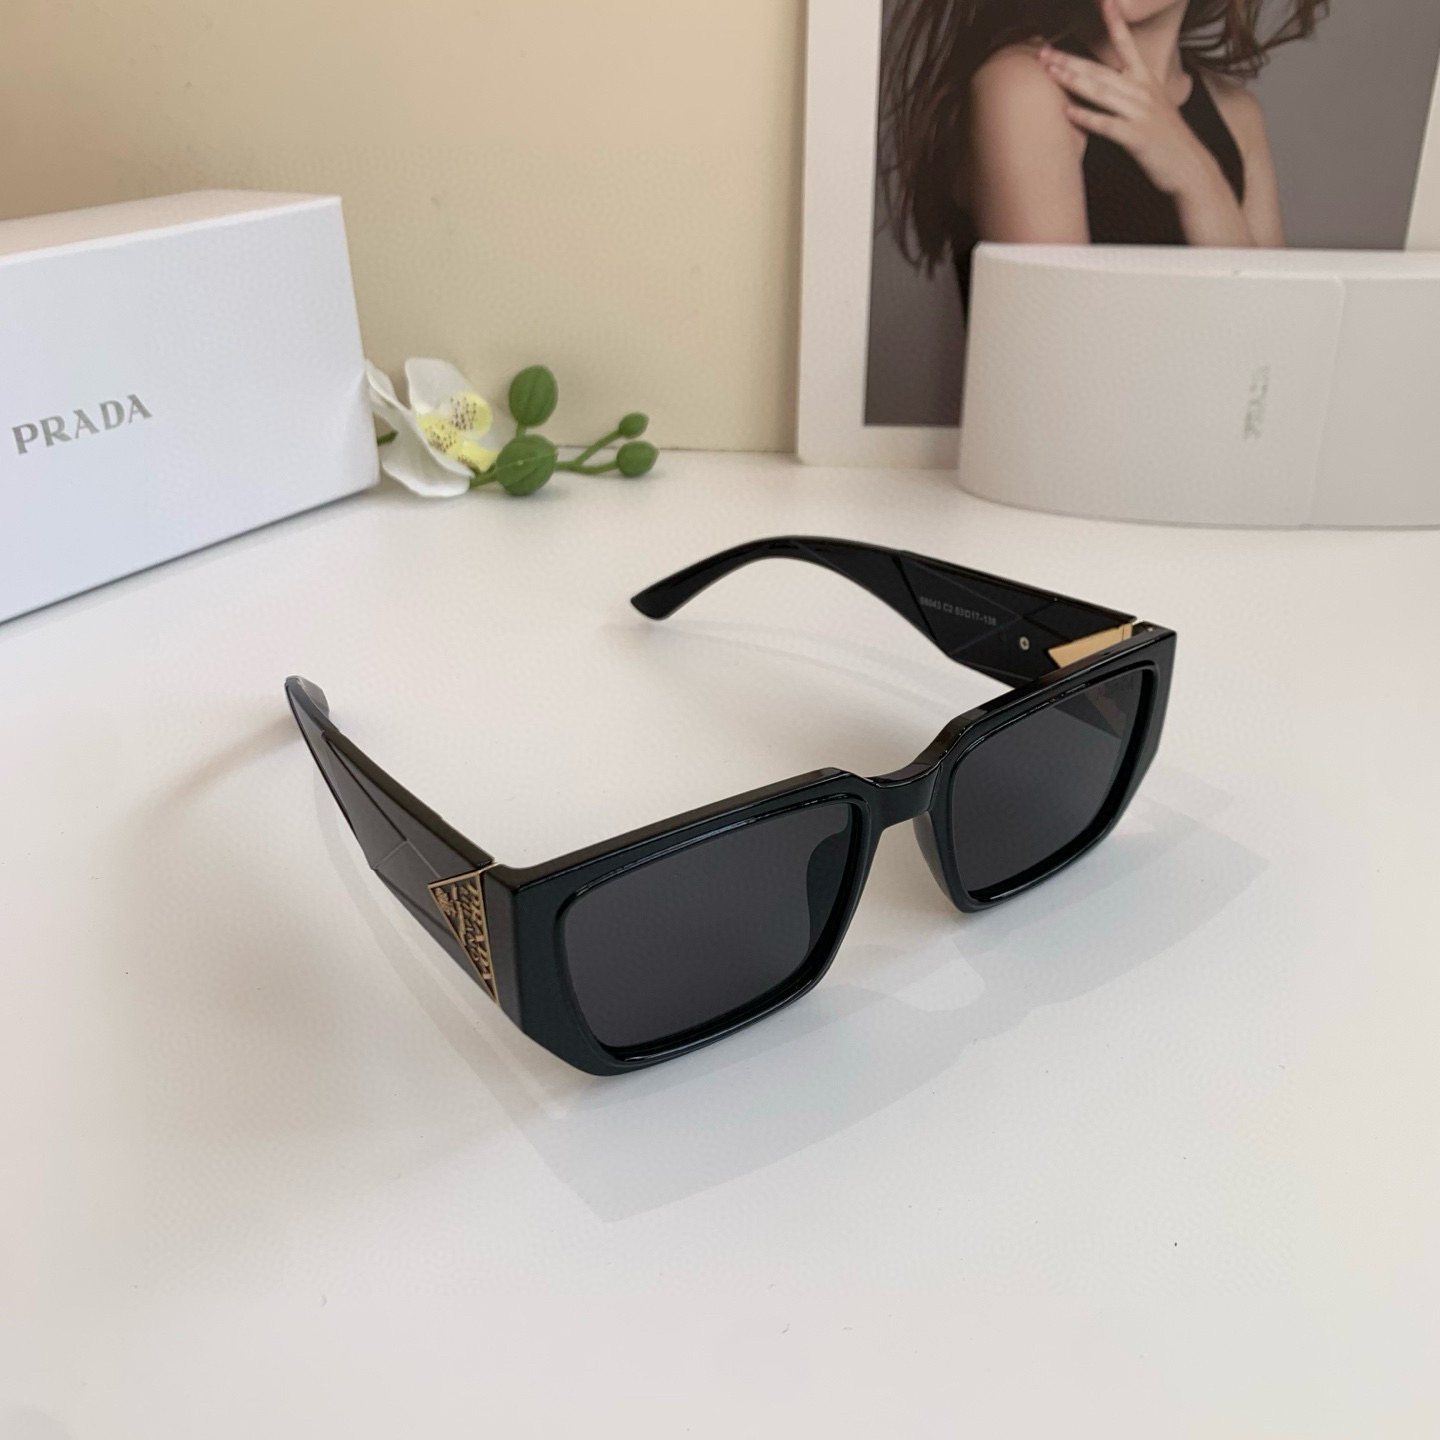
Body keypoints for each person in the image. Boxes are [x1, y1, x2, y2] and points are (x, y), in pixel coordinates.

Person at [880, 0, 1328, 304]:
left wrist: (1197, 179)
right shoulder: (1023, 90)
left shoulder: (1237, 116)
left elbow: (1277, 351)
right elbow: (1057, 356)